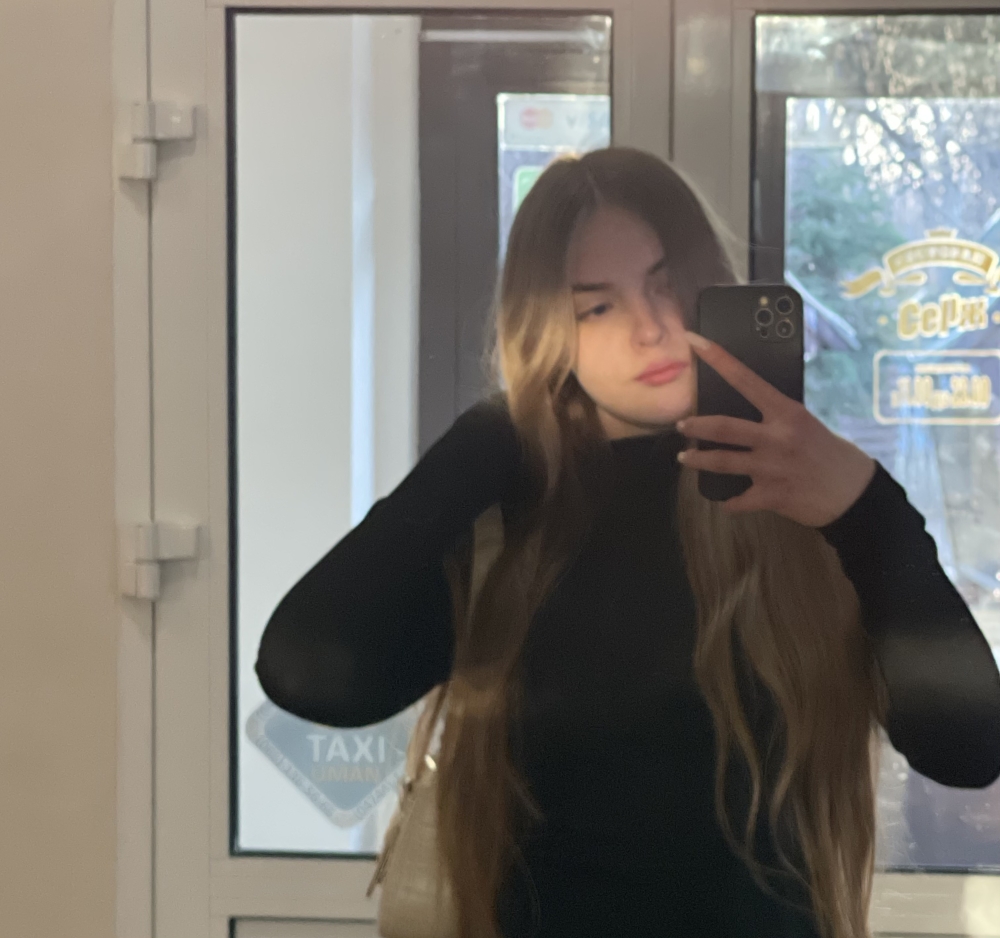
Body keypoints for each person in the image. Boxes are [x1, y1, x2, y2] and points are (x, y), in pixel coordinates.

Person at [255, 148, 1000, 938]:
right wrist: (493, 433)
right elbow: (310, 672)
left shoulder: (804, 509)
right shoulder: (512, 531)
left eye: (666, 283)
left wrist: (868, 510)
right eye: (596, 308)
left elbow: (968, 746)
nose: (651, 328)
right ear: (549, 332)